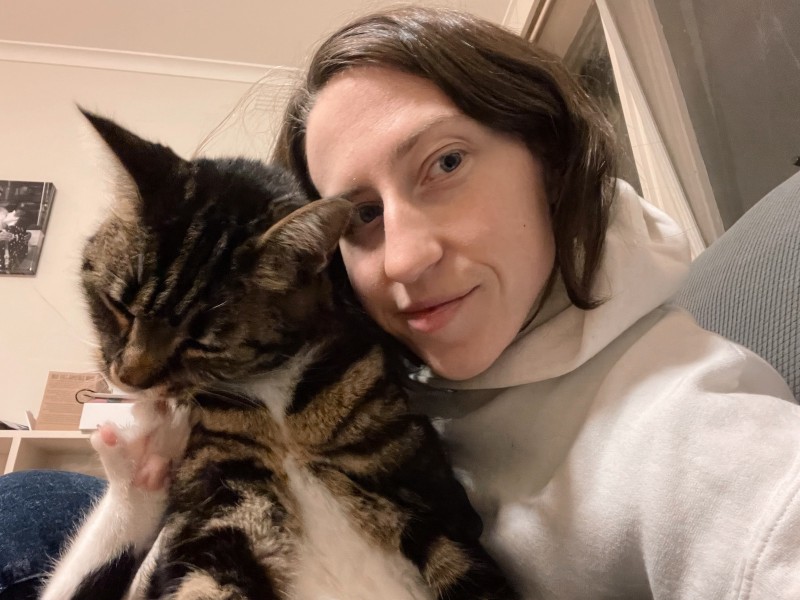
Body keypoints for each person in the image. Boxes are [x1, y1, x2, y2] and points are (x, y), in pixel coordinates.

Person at [1, 6, 798, 599]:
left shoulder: (686, 427)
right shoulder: (376, 342)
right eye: (364, 216)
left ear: (549, 157)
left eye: (444, 162)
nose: (407, 258)